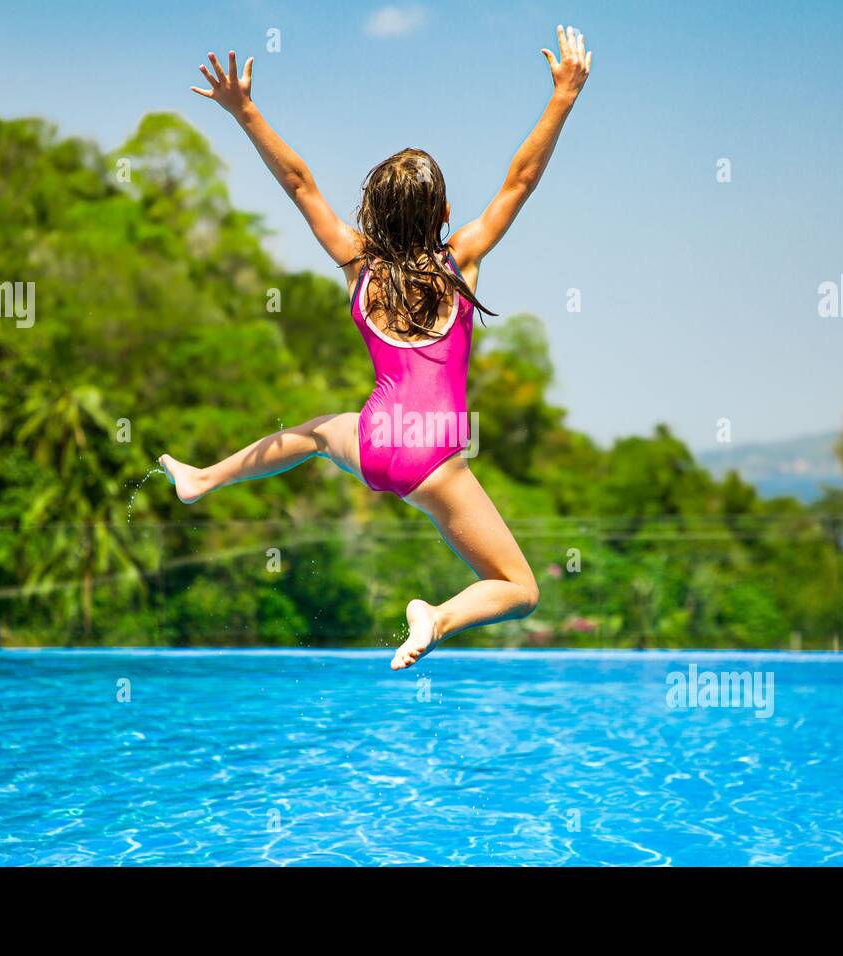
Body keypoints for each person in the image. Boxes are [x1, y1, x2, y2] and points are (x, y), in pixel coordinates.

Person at [160, 25, 592, 669]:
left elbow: (301, 184)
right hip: (435, 457)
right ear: (443, 214)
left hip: (372, 444)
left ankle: (202, 478)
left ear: (373, 214)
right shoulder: (461, 259)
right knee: (521, 589)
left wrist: (244, 109)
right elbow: (521, 180)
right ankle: (437, 617)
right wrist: (563, 96)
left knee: (310, 434)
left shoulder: (356, 264)